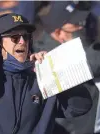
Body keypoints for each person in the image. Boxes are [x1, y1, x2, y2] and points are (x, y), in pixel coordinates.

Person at [0, 13, 93, 134]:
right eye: (14, 37)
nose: (22, 42)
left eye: (25, 37)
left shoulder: (41, 78)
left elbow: (81, 107)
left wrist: (55, 70)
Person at [36, 1, 99, 134]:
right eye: (78, 24)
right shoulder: (46, 56)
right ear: (59, 33)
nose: (84, 27)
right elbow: (93, 63)